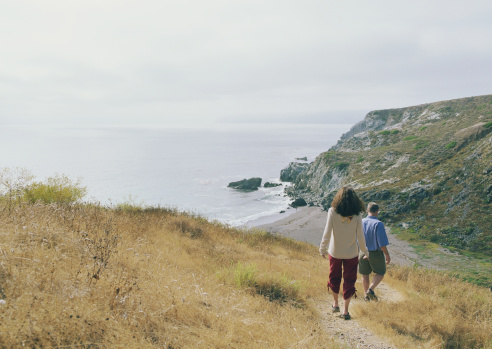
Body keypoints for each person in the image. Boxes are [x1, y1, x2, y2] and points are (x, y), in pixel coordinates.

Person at [319, 187, 369, 320]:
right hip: (351, 254)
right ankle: (345, 311)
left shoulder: (333, 211)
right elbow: (360, 236)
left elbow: (327, 232)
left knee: (334, 277)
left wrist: (322, 249)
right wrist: (365, 251)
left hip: (335, 252)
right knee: (349, 281)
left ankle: (335, 304)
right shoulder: (357, 214)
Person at [359, 202, 391, 301]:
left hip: (362, 251)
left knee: (365, 274)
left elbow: (357, 238)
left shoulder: (361, 222)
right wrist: (387, 255)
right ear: (377, 211)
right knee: (381, 272)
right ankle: (370, 289)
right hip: (375, 253)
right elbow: (382, 243)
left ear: (367, 210)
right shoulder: (378, 224)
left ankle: (366, 296)